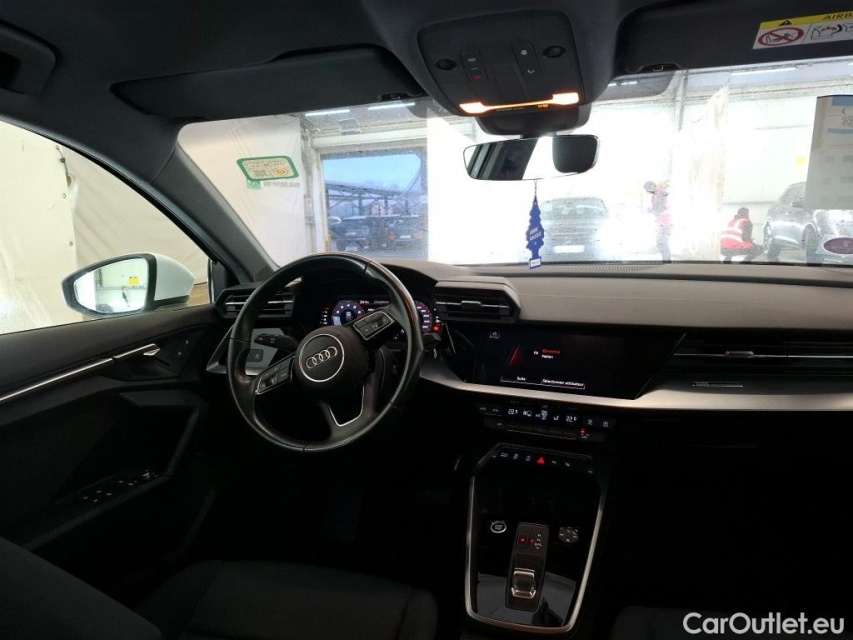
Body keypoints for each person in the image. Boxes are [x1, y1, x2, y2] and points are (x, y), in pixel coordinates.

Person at [644, 180, 672, 262]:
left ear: (651, 187)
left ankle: (667, 261)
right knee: (661, 242)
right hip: (662, 222)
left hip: (666, 221)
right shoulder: (654, 195)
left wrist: (651, 210)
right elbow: (656, 208)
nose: (648, 192)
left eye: (648, 189)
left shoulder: (662, 193)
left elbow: (660, 208)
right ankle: (666, 261)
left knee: (662, 242)